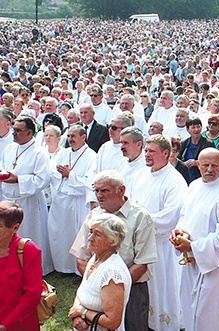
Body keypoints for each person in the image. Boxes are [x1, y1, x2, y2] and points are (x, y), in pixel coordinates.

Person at [70, 170, 158, 331]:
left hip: (132, 290)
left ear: (121, 190)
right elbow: (81, 258)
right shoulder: (93, 216)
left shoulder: (140, 217)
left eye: (104, 190)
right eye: (95, 190)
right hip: (96, 290)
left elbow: (142, 263)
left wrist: (115, 288)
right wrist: (95, 287)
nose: (98, 195)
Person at [170, 148, 219, 331]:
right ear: (198, 165)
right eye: (205, 165)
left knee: (210, 316)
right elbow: (185, 215)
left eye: (214, 165)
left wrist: (193, 246)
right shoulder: (194, 186)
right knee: (189, 309)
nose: (210, 169)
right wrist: (179, 231)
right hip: (190, 262)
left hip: (213, 265)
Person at [129, 134, 187, 331]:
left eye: (151, 151)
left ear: (165, 153)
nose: (146, 154)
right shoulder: (140, 175)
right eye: (146, 150)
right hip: (138, 241)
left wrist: (139, 222)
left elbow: (170, 216)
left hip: (160, 246)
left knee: (161, 288)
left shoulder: (175, 180)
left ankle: (162, 323)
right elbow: (130, 203)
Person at [0, 116, 53, 275]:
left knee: (30, 234)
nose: (13, 133)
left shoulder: (39, 153)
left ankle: (32, 269)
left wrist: (18, 179)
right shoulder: (10, 148)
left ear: (29, 132)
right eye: (14, 129)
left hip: (28, 202)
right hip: (9, 198)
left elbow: (43, 179)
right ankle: (10, 265)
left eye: (17, 130)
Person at [67, 214, 132, 331]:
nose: (90, 238)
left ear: (112, 240)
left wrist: (83, 312)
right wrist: (77, 316)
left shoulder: (112, 273)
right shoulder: (96, 259)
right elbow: (82, 292)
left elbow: (112, 322)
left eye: (97, 234)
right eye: (91, 232)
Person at [48, 124, 96, 273]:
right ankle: (60, 265)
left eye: (73, 136)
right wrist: (61, 174)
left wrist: (70, 175)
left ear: (83, 137)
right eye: (68, 136)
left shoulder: (91, 156)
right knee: (58, 232)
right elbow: (52, 172)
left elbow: (90, 182)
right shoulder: (64, 153)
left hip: (78, 202)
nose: (70, 139)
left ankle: (75, 268)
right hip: (61, 198)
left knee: (75, 235)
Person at [0, 201, 42, 331]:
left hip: (19, 324)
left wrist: (6, 325)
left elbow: (32, 294)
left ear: (15, 228)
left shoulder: (28, 250)